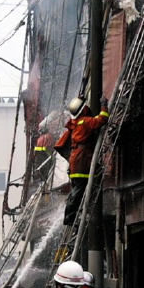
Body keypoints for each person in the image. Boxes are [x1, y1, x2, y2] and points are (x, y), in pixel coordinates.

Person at [54, 96, 109, 226]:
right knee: (80, 190)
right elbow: (101, 120)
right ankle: (70, 217)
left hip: (75, 160)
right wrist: (104, 105)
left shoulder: (75, 124)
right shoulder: (84, 121)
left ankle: (73, 215)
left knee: (77, 190)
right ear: (83, 109)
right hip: (82, 160)